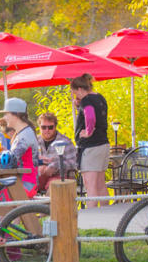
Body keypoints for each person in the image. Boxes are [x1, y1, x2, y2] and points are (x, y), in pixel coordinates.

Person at [71, 73, 109, 208]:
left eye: (75, 93)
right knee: (100, 184)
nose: (76, 97)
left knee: (90, 185)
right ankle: (106, 213)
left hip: (91, 146)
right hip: (103, 143)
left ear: (80, 89)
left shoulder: (87, 100)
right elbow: (96, 114)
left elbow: (91, 115)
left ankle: (91, 219)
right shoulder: (100, 98)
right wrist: (78, 107)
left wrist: (88, 131)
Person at [0, 98, 40, 197]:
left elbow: (9, 162)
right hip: (24, 182)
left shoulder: (24, 137)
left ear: (15, 114)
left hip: (26, 184)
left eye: (6, 114)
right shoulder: (23, 133)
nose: (4, 117)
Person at [35, 112, 77, 194]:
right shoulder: (34, 141)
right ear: (39, 127)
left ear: (55, 127)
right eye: (43, 127)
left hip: (61, 176)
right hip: (39, 176)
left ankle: (45, 207)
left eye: (50, 127)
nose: (47, 130)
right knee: (22, 187)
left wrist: (56, 166)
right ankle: (27, 206)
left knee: (54, 189)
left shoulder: (65, 141)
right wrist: (39, 165)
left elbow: (74, 163)